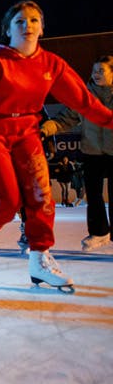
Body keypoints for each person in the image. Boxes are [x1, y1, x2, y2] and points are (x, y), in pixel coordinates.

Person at [0, 1, 113, 291]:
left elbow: (84, 102)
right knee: (8, 200)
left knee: (42, 197)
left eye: (33, 20)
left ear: (42, 28)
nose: (27, 26)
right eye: (19, 21)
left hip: (27, 133)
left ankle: (40, 261)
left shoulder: (50, 64)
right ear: (8, 29)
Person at [42, 55, 113, 250]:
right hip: (92, 150)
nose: (96, 74)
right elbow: (67, 118)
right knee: (93, 193)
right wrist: (47, 128)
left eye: (101, 71)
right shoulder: (85, 96)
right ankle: (99, 232)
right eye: (94, 70)